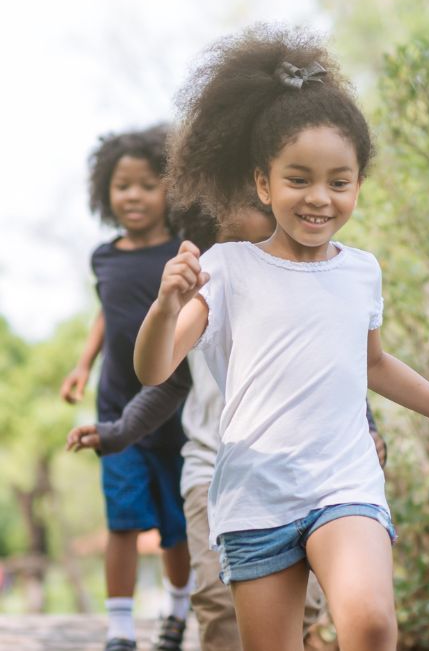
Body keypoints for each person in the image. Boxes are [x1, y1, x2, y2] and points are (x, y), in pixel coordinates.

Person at [133, 25, 429, 651]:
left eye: (339, 182)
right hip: (255, 494)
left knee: (368, 624)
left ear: (358, 185)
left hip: (344, 481)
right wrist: (165, 303)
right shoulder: (227, 268)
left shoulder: (361, 270)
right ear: (263, 183)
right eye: (299, 179)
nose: (319, 198)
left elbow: (377, 363)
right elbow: (154, 367)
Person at [68, 200, 388, 651]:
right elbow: (162, 381)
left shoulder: (318, 285)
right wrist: (116, 432)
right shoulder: (210, 291)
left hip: (308, 479)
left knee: (307, 614)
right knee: (222, 610)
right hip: (213, 474)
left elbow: (342, 372)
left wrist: (370, 427)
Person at [60, 126, 191, 651]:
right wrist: (82, 365)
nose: (133, 195)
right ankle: (119, 630)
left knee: (173, 523)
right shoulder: (104, 256)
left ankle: (177, 614)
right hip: (115, 409)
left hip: (172, 406)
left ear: (170, 190)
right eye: (122, 185)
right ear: (105, 193)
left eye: (146, 184)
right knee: (123, 518)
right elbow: (105, 313)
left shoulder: (184, 252)